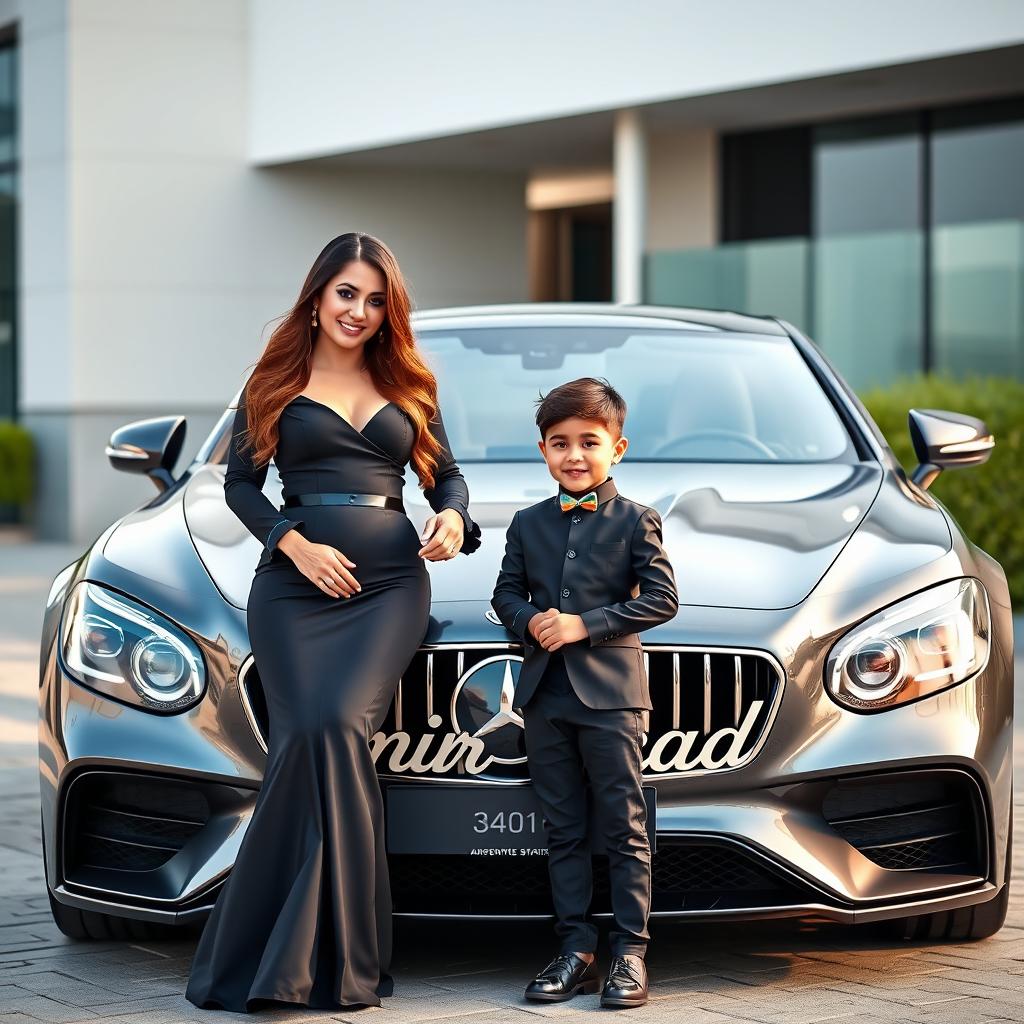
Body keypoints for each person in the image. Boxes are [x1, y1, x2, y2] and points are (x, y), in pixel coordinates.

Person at [185, 232, 482, 1013]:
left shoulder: (408, 381)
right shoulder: (275, 377)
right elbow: (242, 488)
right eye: (346, 293)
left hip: (389, 586)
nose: (359, 310)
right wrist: (294, 543)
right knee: (311, 730)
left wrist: (451, 518)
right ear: (317, 297)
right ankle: (317, 954)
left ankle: (311, 956)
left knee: (336, 729)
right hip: (292, 587)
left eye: (375, 299)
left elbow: (445, 476)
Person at [490, 377, 678, 1009]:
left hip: (613, 699)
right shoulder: (527, 523)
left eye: (588, 442)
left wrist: (584, 625)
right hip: (544, 697)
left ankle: (630, 952)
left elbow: (661, 600)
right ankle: (576, 948)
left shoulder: (637, 521)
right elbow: (505, 594)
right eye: (559, 443)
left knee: (624, 827)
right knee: (564, 830)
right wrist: (529, 621)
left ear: (617, 449)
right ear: (543, 450)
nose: (574, 455)